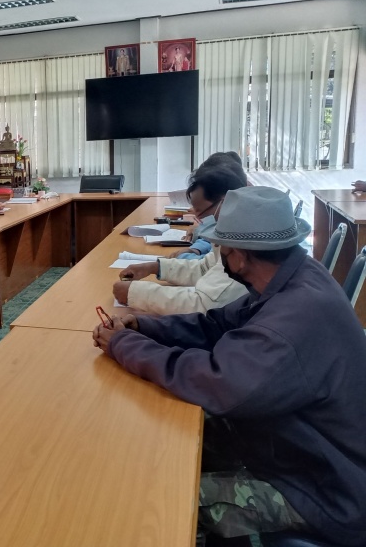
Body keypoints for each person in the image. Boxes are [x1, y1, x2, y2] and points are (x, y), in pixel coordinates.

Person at [95, 186, 366, 547]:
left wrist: (125, 345)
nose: (218, 255)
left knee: (162, 497)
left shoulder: (291, 319)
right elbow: (216, 324)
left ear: (238, 256)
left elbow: (215, 382)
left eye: (222, 247)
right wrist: (144, 327)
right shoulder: (294, 278)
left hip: (326, 491)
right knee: (170, 448)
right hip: (298, 449)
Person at [113, 164, 248, 314]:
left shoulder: (244, 246)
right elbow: (204, 268)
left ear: (225, 203)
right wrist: (155, 267)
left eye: (199, 211)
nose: (198, 218)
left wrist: (136, 293)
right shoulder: (231, 233)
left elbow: (204, 306)